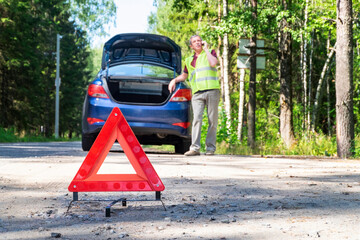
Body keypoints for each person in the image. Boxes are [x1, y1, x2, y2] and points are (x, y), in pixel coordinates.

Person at [168, 35, 220, 156]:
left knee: (212, 120)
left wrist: (206, 49)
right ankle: (195, 148)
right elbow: (185, 75)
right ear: (191, 46)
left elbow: (213, 63)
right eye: (194, 41)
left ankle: (210, 148)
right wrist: (174, 80)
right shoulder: (188, 59)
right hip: (197, 93)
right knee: (196, 119)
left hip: (212, 90)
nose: (197, 43)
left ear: (202, 42)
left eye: (199, 41)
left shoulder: (210, 53)